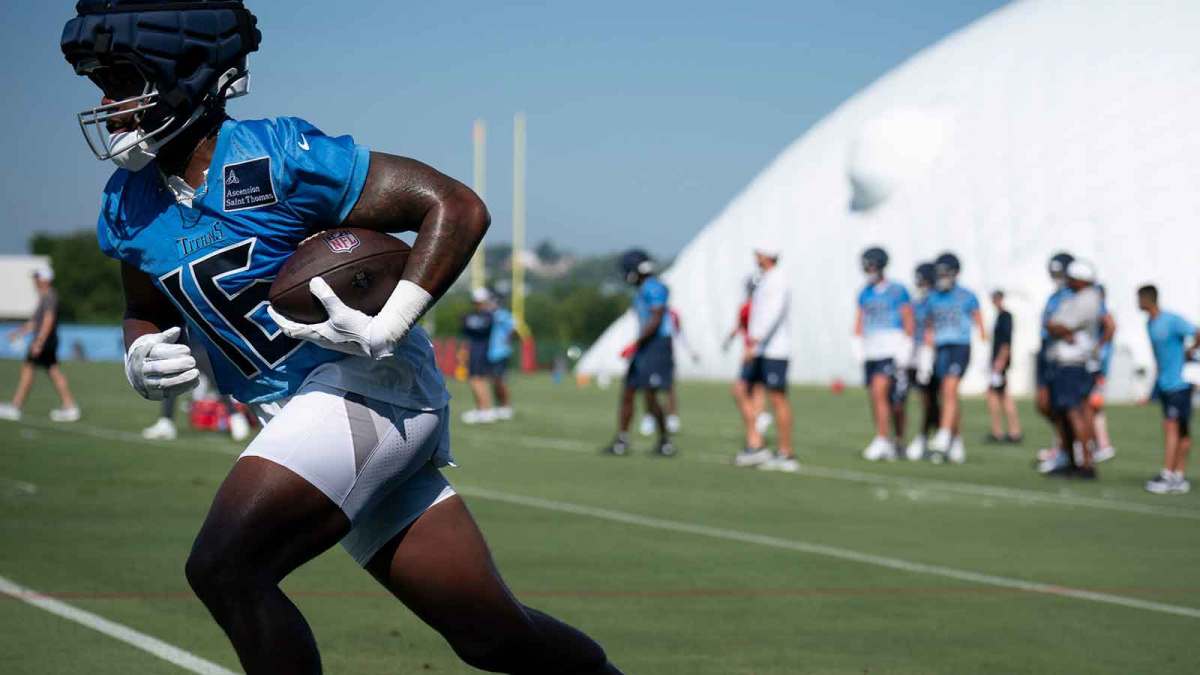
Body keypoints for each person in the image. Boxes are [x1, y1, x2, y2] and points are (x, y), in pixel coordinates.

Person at [62, 3, 622, 673]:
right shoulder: (127, 201)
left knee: (226, 565)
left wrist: (391, 321)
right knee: (493, 635)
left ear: (186, 75)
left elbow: (455, 205)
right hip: (295, 413)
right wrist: (138, 351)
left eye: (122, 81)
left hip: (367, 385)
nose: (108, 104)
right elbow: (144, 306)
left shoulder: (275, 154)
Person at [733, 244, 798, 472]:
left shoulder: (777, 279)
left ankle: (786, 452)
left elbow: (772, 313)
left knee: (777, 399)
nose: (756, 257)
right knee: (740, 390)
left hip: (774, 350)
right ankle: (755, 444)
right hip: (761, 349)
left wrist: (755, 341)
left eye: (758, 253)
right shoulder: (765, 279)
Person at [605, 249, 676, 457]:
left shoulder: (654, 287)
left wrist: (636, 343)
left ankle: (665, 441)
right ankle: (622, 439)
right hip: (645, 344)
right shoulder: (642, 289)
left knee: (650, 396)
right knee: (628, 390)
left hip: (656, 345)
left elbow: (656, 318)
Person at [1043, 261, 1104, 479]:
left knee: (1074, 412)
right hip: (1066, 362)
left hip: (1073, 363)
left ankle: (1085, 462)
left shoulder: (1087, 299)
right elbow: (1052, 324)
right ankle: (1073, 460)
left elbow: (1058, 325)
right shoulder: (1076, 298)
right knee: (1064, 413)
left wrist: (1057, 328)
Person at [924, 252, 986, 464]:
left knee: (950, 389)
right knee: (947, 394)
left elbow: (980, 324)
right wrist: (926, 353)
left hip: (960, 346)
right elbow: (930, 326)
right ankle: (956, 441)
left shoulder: (966, 295)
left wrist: (983, 351)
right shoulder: (933, 297)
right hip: (941, 348)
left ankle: (943, 434)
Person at [854, 246, 915, 461]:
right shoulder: (864, 292)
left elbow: (908, 318)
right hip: (872, 350)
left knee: (894, 400)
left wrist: (906, 347)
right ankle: (884, 439)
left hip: (892, 349)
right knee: (876, 394)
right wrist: (857, 345)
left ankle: (895, 439)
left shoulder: (898, 290)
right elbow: (860, 320)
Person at [1138, 285, 1200, 494]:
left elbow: (1196, 332)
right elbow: (1158, 357)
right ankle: (1178, 477)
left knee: (1172, 427)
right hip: (1165, 383)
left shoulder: (1171, 320)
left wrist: (1191, 351)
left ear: (1147, 300)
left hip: (1180, 383)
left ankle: (1168, 474)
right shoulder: (1150, 324)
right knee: (1181, 430)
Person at [0, 267, 81, 423]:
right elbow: (35, 323)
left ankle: (16, 407)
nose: (35, 281)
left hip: (45, 340)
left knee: (29, 369)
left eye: (38, 278)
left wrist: (39, 341)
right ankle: (70, 406)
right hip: (47, 340)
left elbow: (48, 320)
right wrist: (18, 332)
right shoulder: (46, 296)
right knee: (53, 371)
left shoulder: (49, 296)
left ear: (46, 280)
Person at [1034, 252, 1074, 472]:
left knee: (1064, 407)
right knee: (1044, 404)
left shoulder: (1075, 296)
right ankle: (1064, 445)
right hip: (1047, 351)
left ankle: (1067, 450)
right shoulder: (1054, 296)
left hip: (1064, 355)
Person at [904, 262, 939, 460]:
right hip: (917, 353)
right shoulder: (917, 301)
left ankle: (936, 437)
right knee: (925, 399)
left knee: (934, 400)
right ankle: (925, 437)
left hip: (932, 354)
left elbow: (931, 327)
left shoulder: (935, 300)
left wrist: (927, 353)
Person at [459, 287, 502, 425]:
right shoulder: (475, 315)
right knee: (476, 379)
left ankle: (485, 409)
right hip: (475, 349)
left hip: (481, 350)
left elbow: (477, 327)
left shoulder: (488, 316)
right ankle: (482, 409)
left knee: (477, 379)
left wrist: (467, 321)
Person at [985, 290, 1022, 443]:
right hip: (998, 362)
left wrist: (1000, 360)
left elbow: (1006, 341)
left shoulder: (1005, 316)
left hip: (1000, 363)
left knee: (996, 395)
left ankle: (1002, 431)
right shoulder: (1000, 316)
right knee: (1002, 395)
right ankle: (1011, 431)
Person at [486, 292, 517, 421]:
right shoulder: (490, 315)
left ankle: (506, 406)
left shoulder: (503, 315)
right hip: (492, 353)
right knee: (495, 381)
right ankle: (500, 405)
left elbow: (513, 329)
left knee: (501, 380)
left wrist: (507, 341)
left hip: (501, 352)